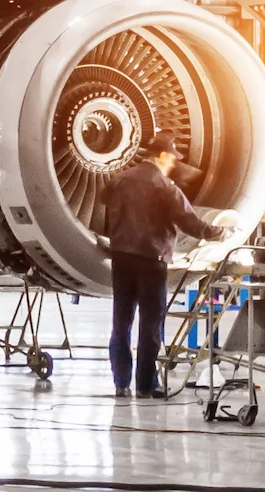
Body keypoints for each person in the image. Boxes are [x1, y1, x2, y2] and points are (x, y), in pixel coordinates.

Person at [102, 130, 226, 398]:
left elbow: (103, 201)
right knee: (150, 324)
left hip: (122, 257)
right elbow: (189, 223)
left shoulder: (120, 178)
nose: (173, 164)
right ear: (161, 156)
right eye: (172, 158)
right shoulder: (163, 186)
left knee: (121, 322)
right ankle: (146, 385)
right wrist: (219, 233)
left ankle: (121, 383)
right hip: (151, 260)